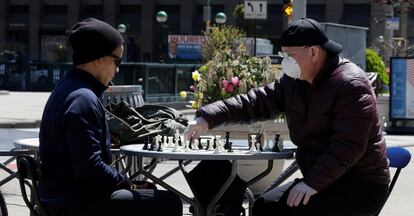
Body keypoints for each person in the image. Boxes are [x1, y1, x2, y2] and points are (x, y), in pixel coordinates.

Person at [185, 18, 390, 216]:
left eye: (291, 55)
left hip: (360, 185)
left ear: (313, 52)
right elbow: (254, 102)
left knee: (287, 211)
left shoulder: (350, 84)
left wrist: (313, 183)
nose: (286, 62)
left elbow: (348, 146)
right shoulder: (294, 81)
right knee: (264, 206)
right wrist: (207, 118)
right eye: (284, 55)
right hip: (324, 178)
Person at [39, 18, 182, 216]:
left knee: (150, 193)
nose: (117, 69)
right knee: (170, 202)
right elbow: (90, 169)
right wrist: (127, 183)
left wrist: (125, 184)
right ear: (97, 58)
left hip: (59, 198)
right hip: (76, 203)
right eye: (117, 61)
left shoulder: (67, 89)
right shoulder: (83, 99)